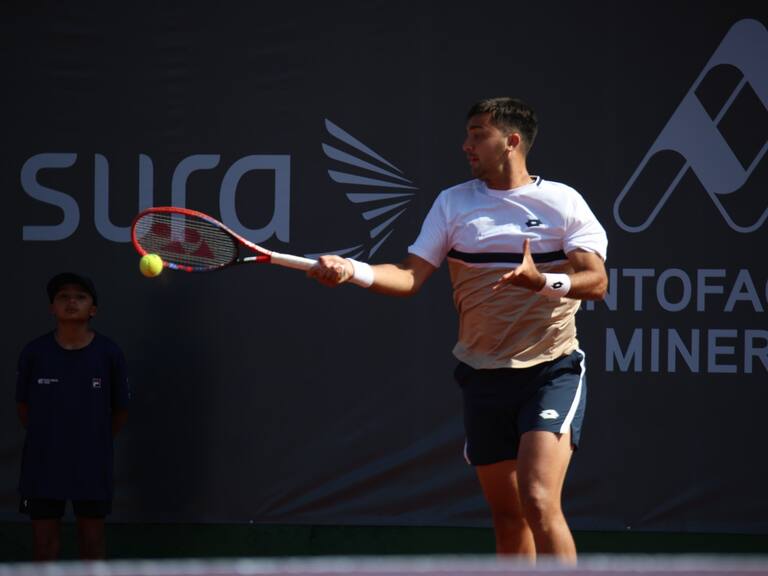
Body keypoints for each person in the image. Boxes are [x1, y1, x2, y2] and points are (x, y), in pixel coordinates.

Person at [307, 97, 608, 563]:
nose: (465, 145)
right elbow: (409, 276)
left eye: (476, 134)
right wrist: (351, 269)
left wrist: (543, 280)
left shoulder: (562, 202)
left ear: (510, 142)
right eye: (468, 134)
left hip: (551, 370)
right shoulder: (453, 203)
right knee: (508, 517)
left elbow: (597, 281)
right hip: (483, 374)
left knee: (539, 498)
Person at [16, 273, 130, 561]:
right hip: (42, 463)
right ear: (52, 308)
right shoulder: (34, 353)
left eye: (80, 296)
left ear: (93, 309)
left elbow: (120, 411)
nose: (71, 302)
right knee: (44, 547)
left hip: (92, 463)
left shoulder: (109, 353)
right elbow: (24, 409)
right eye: (63, 297)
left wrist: (93, 440)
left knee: (92, 545)